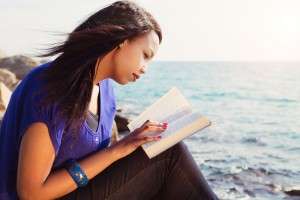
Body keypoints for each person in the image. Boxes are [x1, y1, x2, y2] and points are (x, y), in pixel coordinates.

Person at [0, 1, 219, 199]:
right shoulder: (50, 85)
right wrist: (117, 150)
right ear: (121, 41)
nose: (145, 69)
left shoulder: (106, 91)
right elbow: (31, 193)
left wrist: (131, 146)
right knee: (170, 154)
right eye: (145, 54)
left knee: (161, 151)